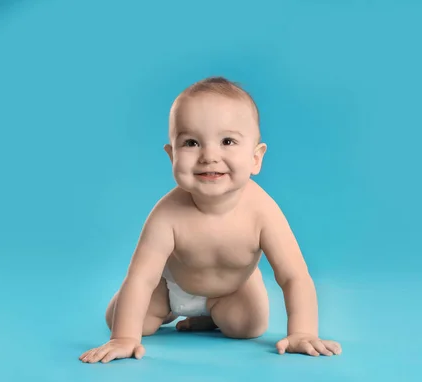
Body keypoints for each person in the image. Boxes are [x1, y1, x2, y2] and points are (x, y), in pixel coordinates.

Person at [79, 77, 342, 363]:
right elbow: (141, 277)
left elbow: (294, 276)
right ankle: (162, 311)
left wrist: (302, 332)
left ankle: (208, 317)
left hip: (229, 290)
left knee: (248, 327)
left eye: (227, 141)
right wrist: (124, 337)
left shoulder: (262, 211)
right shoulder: (167, 213)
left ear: (256, 158)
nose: (209, 156)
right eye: (191, 142)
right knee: (127, 322)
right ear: (172, 156)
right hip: (169, 288)